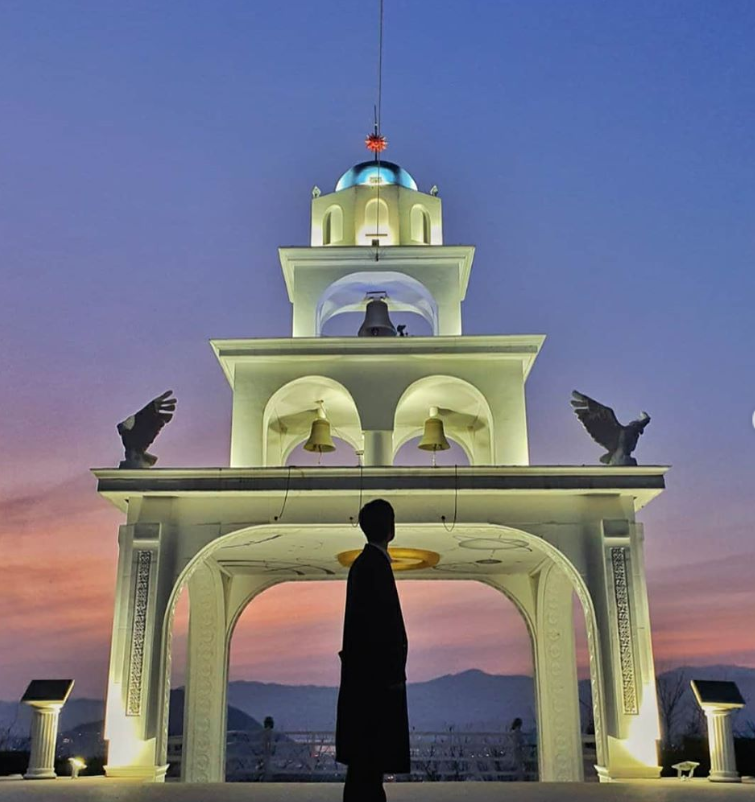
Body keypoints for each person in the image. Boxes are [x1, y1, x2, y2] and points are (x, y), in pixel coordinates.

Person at [335, 499, 410, 802]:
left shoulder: (364, 565)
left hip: (365, 684)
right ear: (391, 529)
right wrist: (392, 673)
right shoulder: (373, 566)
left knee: (364, 768)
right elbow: (380, 629)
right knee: (368, 766)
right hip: (375, 687)